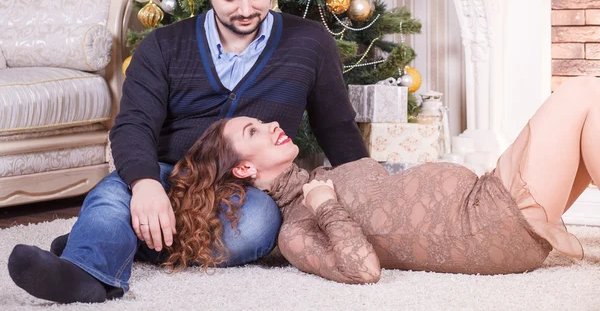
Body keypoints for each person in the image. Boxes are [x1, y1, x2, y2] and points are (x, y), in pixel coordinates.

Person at [7, 0, 367, 304]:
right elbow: (133, 125)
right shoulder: (162, 46)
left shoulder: (310, 42)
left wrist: (367, 196)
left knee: (260, 224)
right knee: (116, 192)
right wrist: (145, 185)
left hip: (248, 190)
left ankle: (116, 239)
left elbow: (337, 127)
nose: (246, 9)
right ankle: (84, 273)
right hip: (171, 174)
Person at [162, 76, 598, 283]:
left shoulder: (315, 177)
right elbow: (363, 269)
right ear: (244, 169)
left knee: (588, 118)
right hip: (489, 223)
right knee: (580, 93)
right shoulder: (296, 229)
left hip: (486, 198)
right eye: (253, 131)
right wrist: (323, 204)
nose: (272, 124)